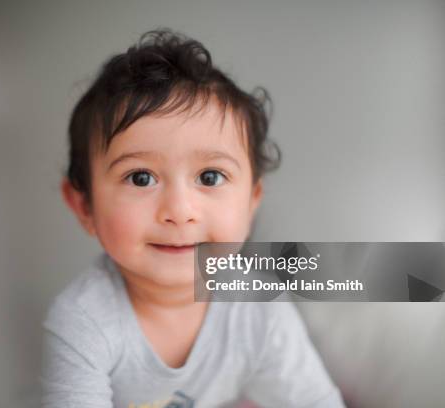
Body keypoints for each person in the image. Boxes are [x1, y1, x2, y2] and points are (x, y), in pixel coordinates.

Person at [41, 29, 345, 407]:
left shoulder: (259, 311)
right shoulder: (84, 322)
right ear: (84, 207)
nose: (179, 211)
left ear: (252, 201)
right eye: (141, 177)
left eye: (210, 177)